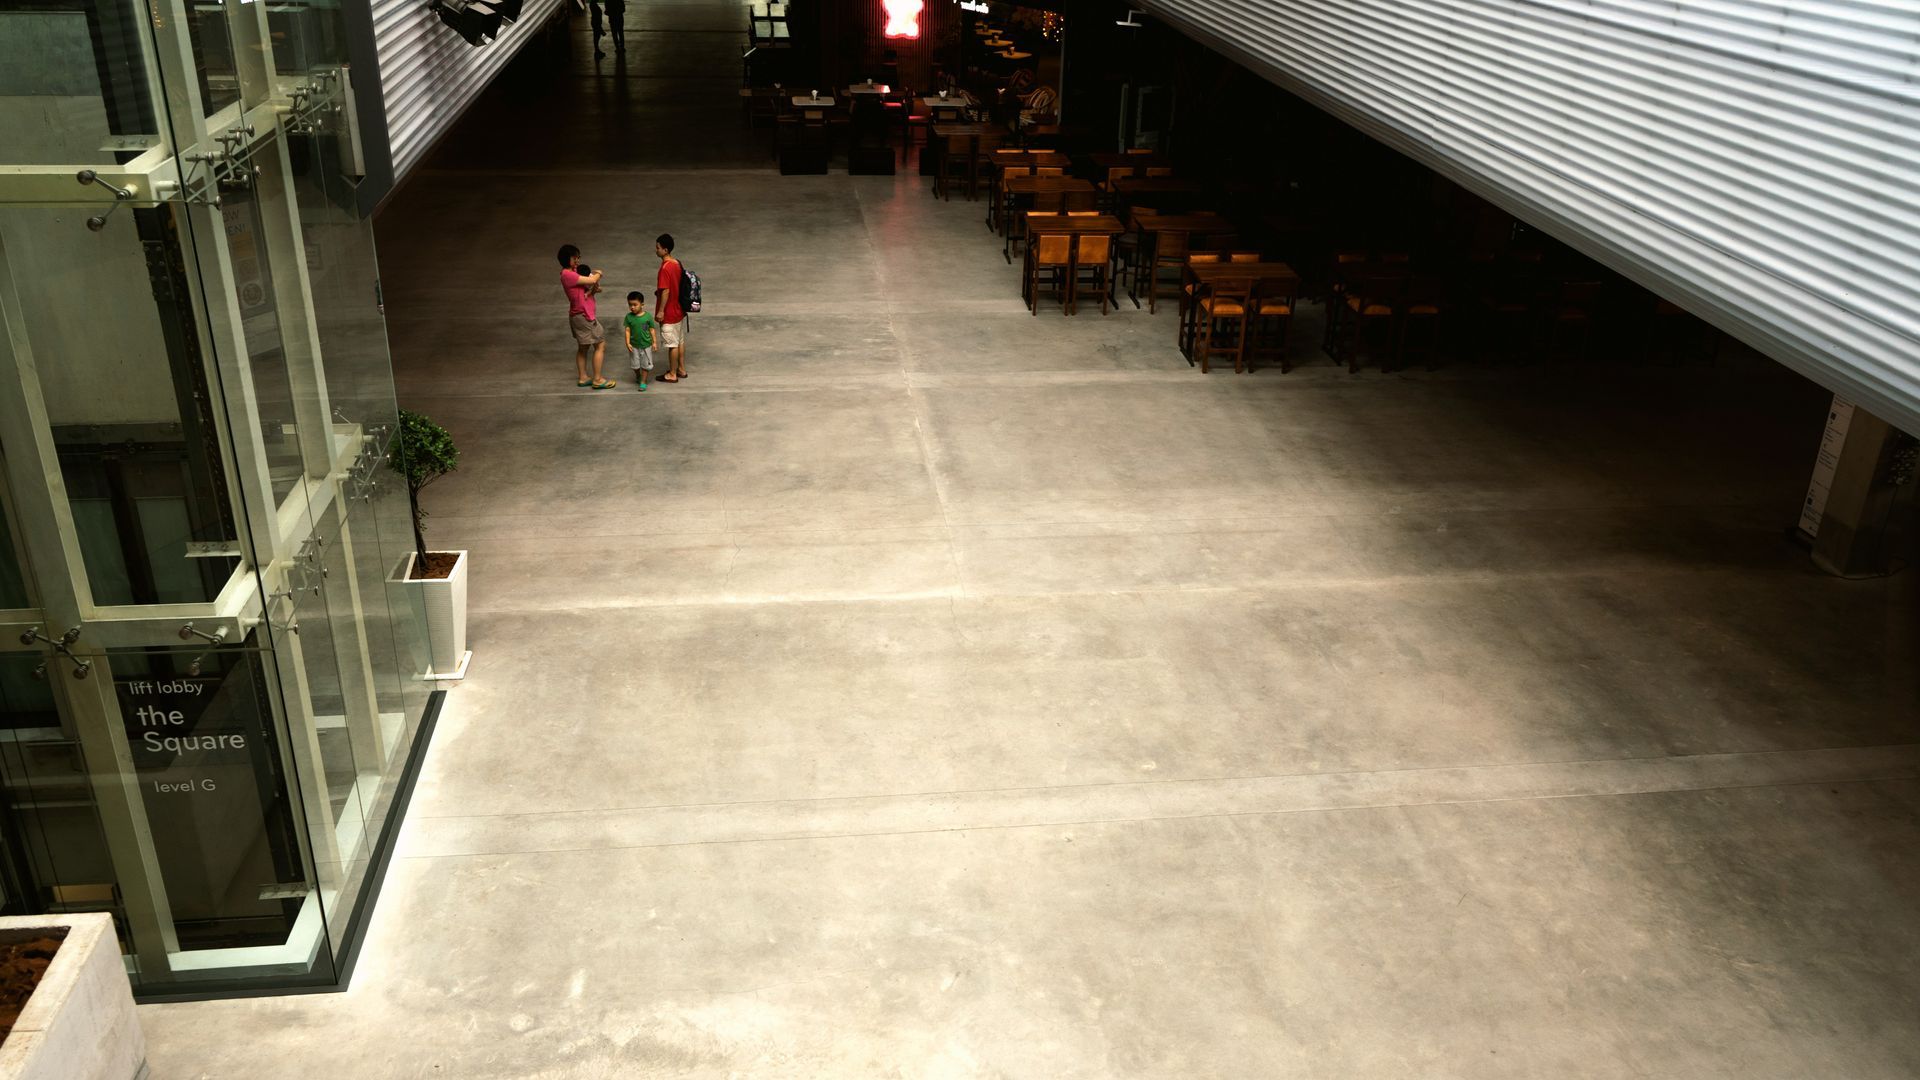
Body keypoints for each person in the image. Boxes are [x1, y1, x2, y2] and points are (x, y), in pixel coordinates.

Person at [558, 244, 615, 389]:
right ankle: (597, 379)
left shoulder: (573, 272)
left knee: (583, 347)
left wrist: (593, 290)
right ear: (567, 259)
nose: (578, 260)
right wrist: (598, 274)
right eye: (575, 257)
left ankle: (583, 377)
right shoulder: (568, 274)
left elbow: (585, 289)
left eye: (578, 257)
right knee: (600, 344)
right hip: (584, 316)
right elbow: (591, 280)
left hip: (578, 314)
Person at [653, 233, 688, 383]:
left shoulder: (665, 268)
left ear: (665, 250)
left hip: (669, 313)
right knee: (679, 341)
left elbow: (666, 290)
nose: (656, 250)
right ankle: (681, 369)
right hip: (679, 310)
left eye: (658, 248)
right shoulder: (677, 263)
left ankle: (672, 374)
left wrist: (661, 311)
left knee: (672, 345)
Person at [623, 291, 658, 390]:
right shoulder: (628, 317)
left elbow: (651, 329)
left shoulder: (647, 317)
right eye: (630, 305)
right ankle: (638, 375)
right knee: (635, 365)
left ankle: (643, 381)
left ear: (642, 304)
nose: (632, 307)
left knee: (645, 364)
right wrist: (628, 342)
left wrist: (654, 342)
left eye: (635, 305)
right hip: (634, 345)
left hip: (646, 345)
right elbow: (627, 330)